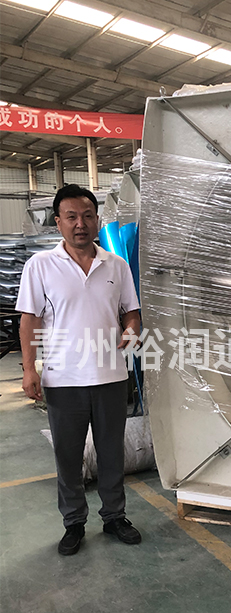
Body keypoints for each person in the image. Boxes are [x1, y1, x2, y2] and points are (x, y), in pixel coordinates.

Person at [17, 184, 142, 556]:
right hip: (63, 379)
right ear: (58, 222)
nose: (80, 224)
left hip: (110, 376)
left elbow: (131, 312)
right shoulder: (40, 265)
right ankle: (73, 523)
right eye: (71, 217)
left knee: (111, 454)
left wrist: (132, 331)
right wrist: (29, 369)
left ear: (97, 220)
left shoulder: (115, 265)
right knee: (69, 457)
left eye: (87, 216)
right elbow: (29, 320)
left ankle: (115, 516)